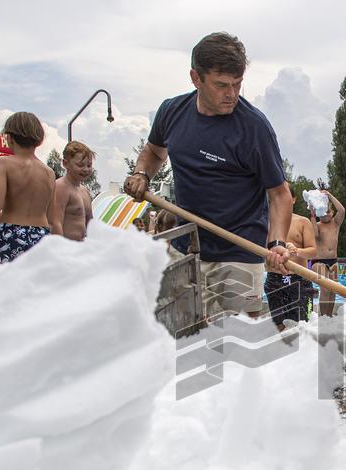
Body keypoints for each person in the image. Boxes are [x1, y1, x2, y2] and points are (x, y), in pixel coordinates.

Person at [122, 32, 292, 320]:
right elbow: (153, 151)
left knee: (236, 346)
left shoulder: (254, 127)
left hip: (240, 249)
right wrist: (141, 174)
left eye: (237, 85)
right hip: (187, 246)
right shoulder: (172, 112)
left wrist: (276, 243)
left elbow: (280, 194)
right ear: (195, 78)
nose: (232, 95)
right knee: (180, 334)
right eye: (222, 85)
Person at [0, 112, 55, 265]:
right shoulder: (49, 172)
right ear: (38, 138)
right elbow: (51, 215)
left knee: (8, 285)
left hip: (11, 234)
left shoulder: (3, 163)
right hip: (41, 235)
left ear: (9, 137)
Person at [265, 196, 317, 329]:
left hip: (299, 279)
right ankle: (283, 348)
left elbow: (313, 251)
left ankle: (302, 348)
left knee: (303, 325)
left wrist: (296, 251)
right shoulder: (266, 222)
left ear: (293, 199)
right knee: (278, 325)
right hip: (274, 279)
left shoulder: (303, 222)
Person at [48, 140, 95, 241]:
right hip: (66, 248)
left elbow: (91, 224)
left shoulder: (85, 191)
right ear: (65, 163)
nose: (86, 169)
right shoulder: (61, 187)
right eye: (80, 165)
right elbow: (55, 223)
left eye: (89, 165)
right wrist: (60, 247)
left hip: (81, 248)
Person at [309, 189, 345, 317]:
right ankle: (322, 316)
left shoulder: (336, 223)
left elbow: (342, 210)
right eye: (323, 213)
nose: (326, 215)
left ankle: (329, 316)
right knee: (325, 288)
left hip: (333, 261)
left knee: (333, 290)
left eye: (328, 212)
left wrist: (329, 195)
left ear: (332, 212)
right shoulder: (317, 225)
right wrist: (312, 216)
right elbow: (314, 234)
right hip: (318, 261)